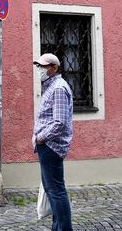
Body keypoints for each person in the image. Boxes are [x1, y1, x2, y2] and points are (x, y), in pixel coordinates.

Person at [33, 53, 74, 231]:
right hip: (47, 145)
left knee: (56, 191)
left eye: (44, 66)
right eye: (39, 66)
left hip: (51, 145)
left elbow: (60, 122)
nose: (40, 70)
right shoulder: (51, 86)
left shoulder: (58, 88)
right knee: (52, 191)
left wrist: (41, 138)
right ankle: (58, 227)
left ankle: (64, 228)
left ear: (54, 68)